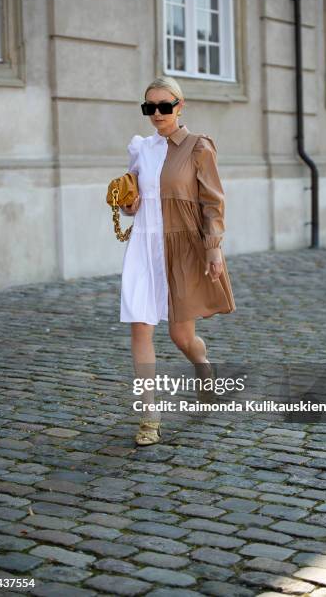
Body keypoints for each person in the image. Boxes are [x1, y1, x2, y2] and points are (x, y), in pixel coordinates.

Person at [120, 76, 236, 446]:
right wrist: (127, 203)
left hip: (182, 246)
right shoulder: (140, 149)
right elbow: (132, 202)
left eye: (164, 106)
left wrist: (213, 246)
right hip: (143, 245)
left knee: (181, 335)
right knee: (140, 327)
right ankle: (149, 415)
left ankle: (204, 369)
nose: (156, 114)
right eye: (149, 107)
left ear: (179, 106)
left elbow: (213, 201)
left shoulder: (198, 147)